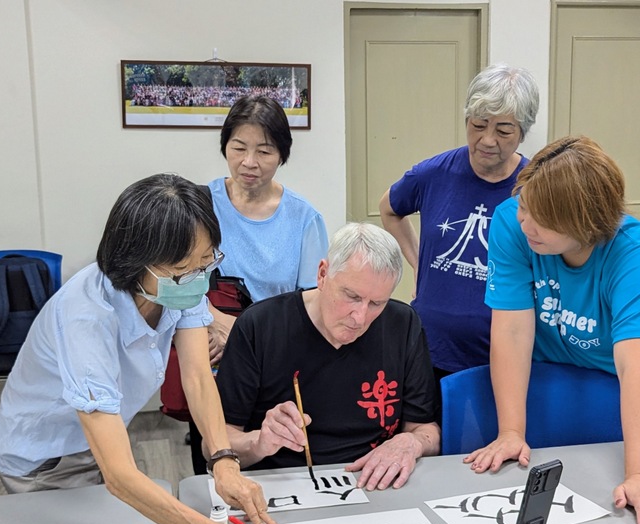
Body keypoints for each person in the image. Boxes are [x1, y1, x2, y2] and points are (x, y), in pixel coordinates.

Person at [0, 173, 284, 524]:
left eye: (206, 262)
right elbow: (120, 476)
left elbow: (198, 377)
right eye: (181, 268)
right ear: (134, 262)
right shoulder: (85, 316)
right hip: (44, 461)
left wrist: (224, 461)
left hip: (95, 441)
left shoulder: (177, 288)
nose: (197, 279)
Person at [464, 136, 640, 524]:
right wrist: (511, 431)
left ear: (585, 221)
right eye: (523, 205)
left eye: (540, 217)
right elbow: (511, 332)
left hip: (614, 388)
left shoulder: (631, 252)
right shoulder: (512, 223)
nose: (524, 222)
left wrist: (637, 474)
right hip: (545, 377)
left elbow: (634, 365)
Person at [215, 222, 440, 490]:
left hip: (373, 482)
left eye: (376, 303)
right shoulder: (261, 326)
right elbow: (216, 443)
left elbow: (426, 430)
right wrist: (259, 442)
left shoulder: (402, 324)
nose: (360, 318)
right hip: (282, 483)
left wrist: (411, 442)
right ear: (323, 274)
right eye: (352, 296)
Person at [379, 64, 540, 409]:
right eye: (478, 125)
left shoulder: (537, 186)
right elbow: (389, 209)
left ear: (523, 132)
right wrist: (419, 264)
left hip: (504, 358)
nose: (487, 140)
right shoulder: (434, 173)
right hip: (431, 351)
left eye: (503, 130)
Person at [184, 94, 329, 474]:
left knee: (272, 462)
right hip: (209, 360)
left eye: (264, 151)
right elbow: (177, 278)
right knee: (211, 464)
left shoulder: (304, 218)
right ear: (225, 147)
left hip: (272, 366)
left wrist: (241, 335)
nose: (249, 162)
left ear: (282, 154)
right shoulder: (198, 205)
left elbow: (311, 303)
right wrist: (211, 320)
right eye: (239, 148)